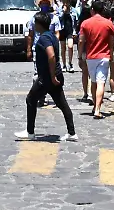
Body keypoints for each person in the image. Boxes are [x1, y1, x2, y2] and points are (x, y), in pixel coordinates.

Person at [16, 12, 77, 141]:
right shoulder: (52, 35)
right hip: (54, 76)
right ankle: (72, 133)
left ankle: (30, 132)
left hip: (47, 78)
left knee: (30, 99)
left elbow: (51, 55)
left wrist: (52, 75)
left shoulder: (44, 38)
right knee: (62, 104)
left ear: (39, 24)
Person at [78, 4, 114, 118]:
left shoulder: (85, 23)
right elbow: (111, 41)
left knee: (94, 82)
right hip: (104, 56)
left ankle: (96, 106)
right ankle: (97, 109)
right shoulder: (108, 24)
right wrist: (111, 54)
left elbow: (81, 41)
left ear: (92, 10)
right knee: (101, 83)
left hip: (91, 56)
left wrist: (80, 56)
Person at [58, 0, 76, 74]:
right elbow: (58, 18)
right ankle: (64, 65)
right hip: (62, 30)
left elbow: (75, 21)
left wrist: (75, 31)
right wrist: (63, 11)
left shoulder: (73, 10)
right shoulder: (60, 9)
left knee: (70, 46)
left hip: (70, 30)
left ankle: (70, 63)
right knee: (63, 48)